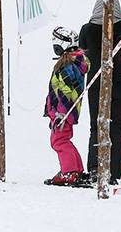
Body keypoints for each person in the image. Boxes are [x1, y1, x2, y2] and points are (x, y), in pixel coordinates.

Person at [79, 0, 121, 185]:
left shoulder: (87, 29)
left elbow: (82, 52)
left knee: (96, 126)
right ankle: (113, 171)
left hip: (96, 85)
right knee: (117, 129)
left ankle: (95, 168)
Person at [44, 26, 89, 187]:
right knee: (63, 140)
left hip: (63, 112)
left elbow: (65, 92)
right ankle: (75, 170)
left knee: (59, 141)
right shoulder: (72, 63)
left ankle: (70, 172)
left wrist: (60, 114)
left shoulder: (67, 66)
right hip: (66, 111)